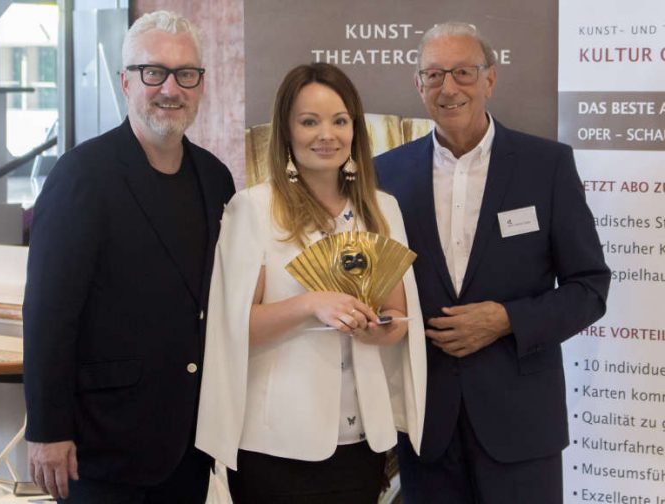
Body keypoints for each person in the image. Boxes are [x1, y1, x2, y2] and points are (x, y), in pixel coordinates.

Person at [375, 22, 610, 504]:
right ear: (419, 86)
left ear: (490, 80)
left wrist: (507, 319)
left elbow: (590, 287)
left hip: (522, 427)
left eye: (463, 72)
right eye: (435, 75)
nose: (449, 87)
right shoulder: (386, 174)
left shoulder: (546, 166)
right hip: (426, 428)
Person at [22, 10, 235, 503]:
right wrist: (48, 429)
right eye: (153, 72)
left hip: (187, 444)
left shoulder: (215, 178)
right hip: (103, 444)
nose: (170, 88)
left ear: (201, 84)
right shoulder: (82, 176)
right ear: (125, 81)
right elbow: (49, 315)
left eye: (186, 74)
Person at [195, 62, 426, 504]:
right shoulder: (253, 209)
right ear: (286, 131)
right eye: (309, 121)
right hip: (277, 443)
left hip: (361, 443)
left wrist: (380, 327)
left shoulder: (382, 209)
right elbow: (231, 327)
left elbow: (398, 319)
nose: (327, 134)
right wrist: (310, 304)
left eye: (340, 121)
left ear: (355, 129)